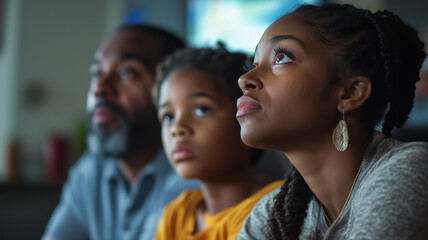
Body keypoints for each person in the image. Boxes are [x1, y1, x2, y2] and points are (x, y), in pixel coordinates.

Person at [236, 3, 428, 240]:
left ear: (350, 93)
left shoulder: (408, 169)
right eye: (254, 64)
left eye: (282, 57)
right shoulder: (272, 214)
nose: (245, 79)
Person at [42, 24, 199, 240]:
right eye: (96, 73)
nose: (99, 88)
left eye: (127, 72)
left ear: (173, 89)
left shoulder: (194, 172)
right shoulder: (91, 170)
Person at [153, 45, 283, 240]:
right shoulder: (178, 213)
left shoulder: (269, 207)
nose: (177, 128)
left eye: (202, 110)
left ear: (245, 120)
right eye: (168, 116)